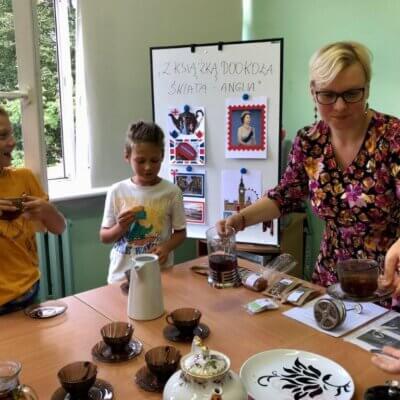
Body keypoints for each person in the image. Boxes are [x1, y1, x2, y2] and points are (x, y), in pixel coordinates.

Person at [218, 41, 400, 288]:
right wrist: (238, 220)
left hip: (389, 276)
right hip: (332, 277)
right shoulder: (309, 142)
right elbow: (284, 197)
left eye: (351, 93)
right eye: (327, 94)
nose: (340, 106)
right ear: (313, 92)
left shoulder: (392, 137)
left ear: (367, 90)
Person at [100, 121, 187, 283]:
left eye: (154, 161)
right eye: (140, 161)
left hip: (160, 274)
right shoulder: (116, 191)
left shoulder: (172, 192)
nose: (148, 167)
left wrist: (166, 247)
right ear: (127, 156)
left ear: (162, 156)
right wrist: (120, 226)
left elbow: (181, 233)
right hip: (121, 277)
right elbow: (105, 237)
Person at [0, 106, 65, 315]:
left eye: (10, 133)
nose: (12, 142)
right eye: (2, 136)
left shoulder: (24, 178)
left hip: (28, 293)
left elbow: (58, 227)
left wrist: (48, 210)